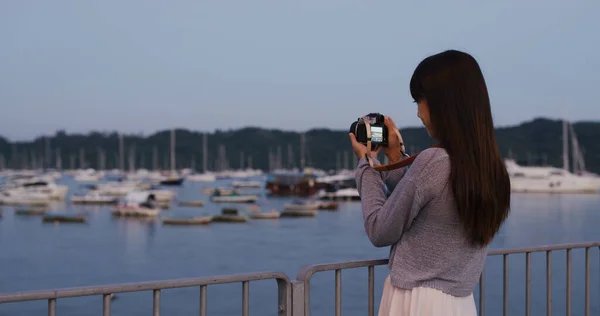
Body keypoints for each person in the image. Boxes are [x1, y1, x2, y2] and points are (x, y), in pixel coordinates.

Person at [348, 50, 511, 316]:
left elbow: (380, 229)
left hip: (417, 302)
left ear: (441, 103)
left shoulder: (434, 161)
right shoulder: (491, 168)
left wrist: (367, 164)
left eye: (419, 101)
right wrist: (394, 156)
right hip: (460, 302)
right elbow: (429, 201)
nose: (418, 113)